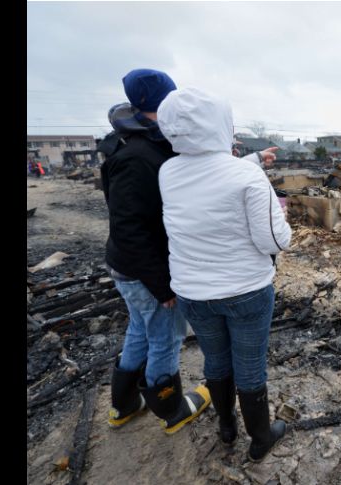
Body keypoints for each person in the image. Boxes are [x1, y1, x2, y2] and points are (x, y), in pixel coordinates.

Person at [156, 87, 292, 462]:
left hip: (192, 292)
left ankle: (226, 426)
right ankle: (261, 437)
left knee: (215, 358)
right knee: (249, 364)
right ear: (221, 125)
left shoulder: (168, 172)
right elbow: (275, 241)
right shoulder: (246, 178)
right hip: (245, 289)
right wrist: (284, 222)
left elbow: (207, 170)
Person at [97, 69, 211, 434]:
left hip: (128, 269)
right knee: (165, 336)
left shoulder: (131, 142)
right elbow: (130, 229)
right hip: (144, 270)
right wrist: (163, 287)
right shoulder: (138, 157)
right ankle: (172, 408)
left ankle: (124, 405)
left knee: (141, 330)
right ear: (163, 102)